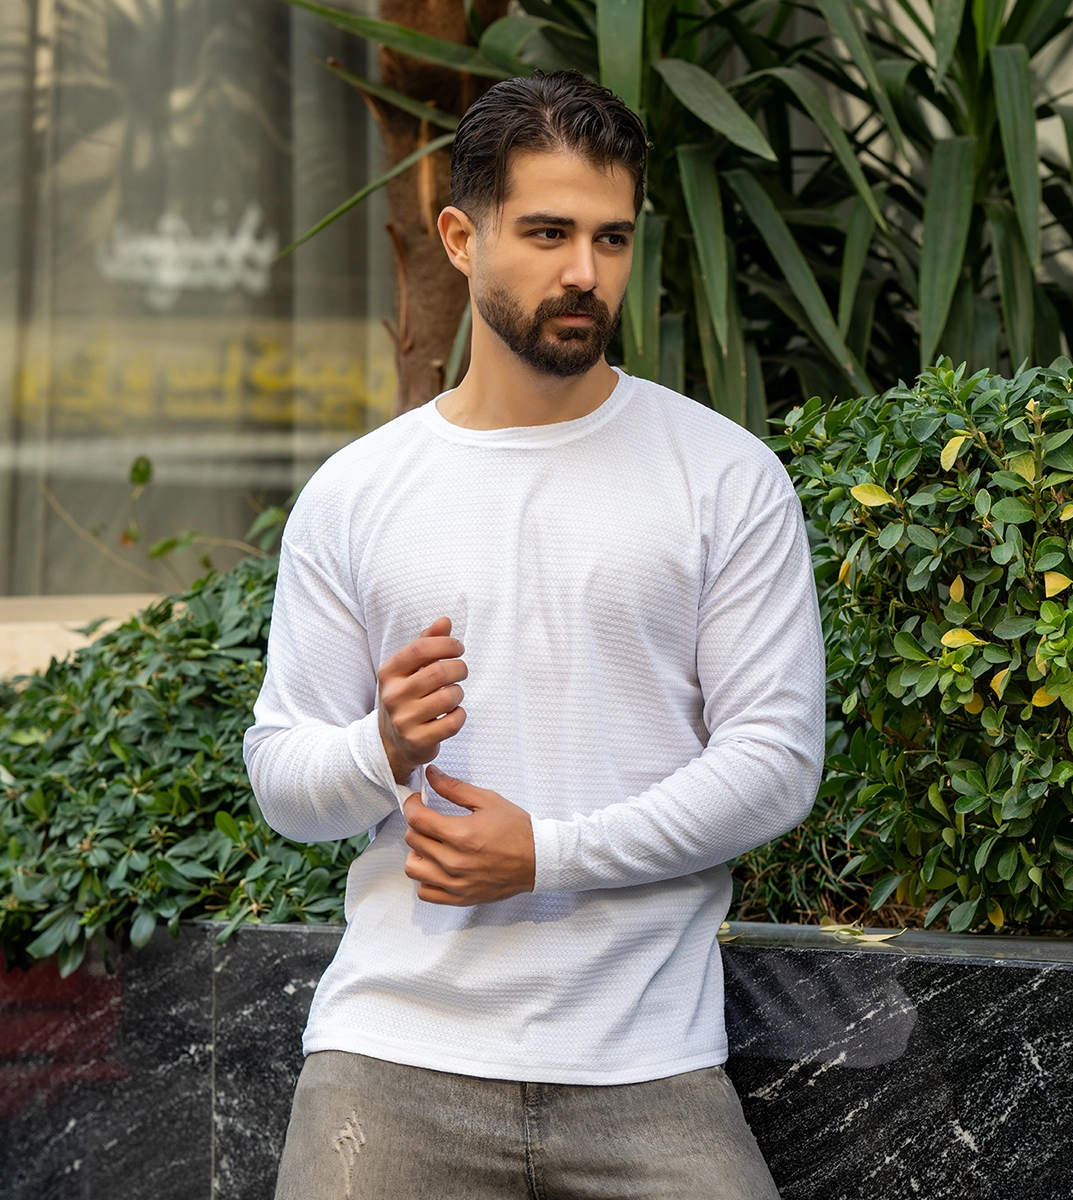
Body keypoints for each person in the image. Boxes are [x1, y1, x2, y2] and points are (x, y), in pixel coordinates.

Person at [245, 69, 824, 1200]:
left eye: (612, 238)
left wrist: (546, 855)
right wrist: (380, 748)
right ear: (460, 238)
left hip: (648, 1064)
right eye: (549, 232)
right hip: (389, 1060)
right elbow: (282, 780)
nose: (585, 273)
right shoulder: (356, 493)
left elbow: (775, 764)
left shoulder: (724, 476)